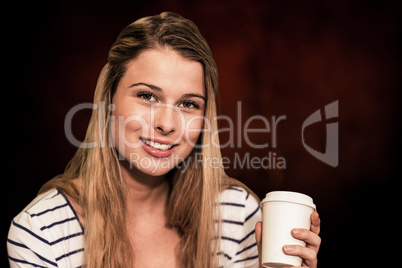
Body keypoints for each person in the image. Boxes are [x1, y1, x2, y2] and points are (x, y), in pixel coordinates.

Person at [7, 12, 321, 267]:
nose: (167, 124)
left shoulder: (237, 215)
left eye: (188, 104)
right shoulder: (41, 232)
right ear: (108, 99)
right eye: (147, 96)